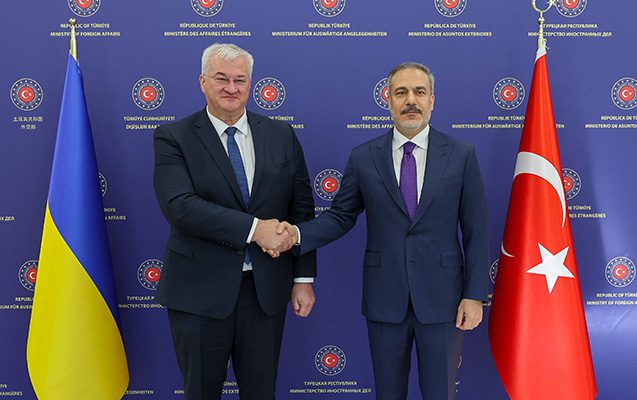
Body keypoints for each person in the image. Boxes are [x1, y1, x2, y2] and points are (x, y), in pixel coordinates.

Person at [273, 62, 489, 400]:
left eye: (419, 92)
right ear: (387, 100)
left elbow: (476, 230)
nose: (411, 100)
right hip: (385, 299)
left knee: (440, 393)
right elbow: (340, 216)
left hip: (444, 300)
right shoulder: (364, 157)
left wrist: (474, 295)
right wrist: (297, 235)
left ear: (432, 100)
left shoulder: (461, 155)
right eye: (401, 92)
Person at [153, 43, 317, 400]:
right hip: (198, 293)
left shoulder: (282, 135)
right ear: (202, 82)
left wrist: (303, 278)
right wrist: (257, 230)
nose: (231, 88)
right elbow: (180, 206)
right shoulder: (174, 137)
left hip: (264, 293)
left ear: (250, 84)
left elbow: (302, 211)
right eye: (221, 78)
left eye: (240, 80)